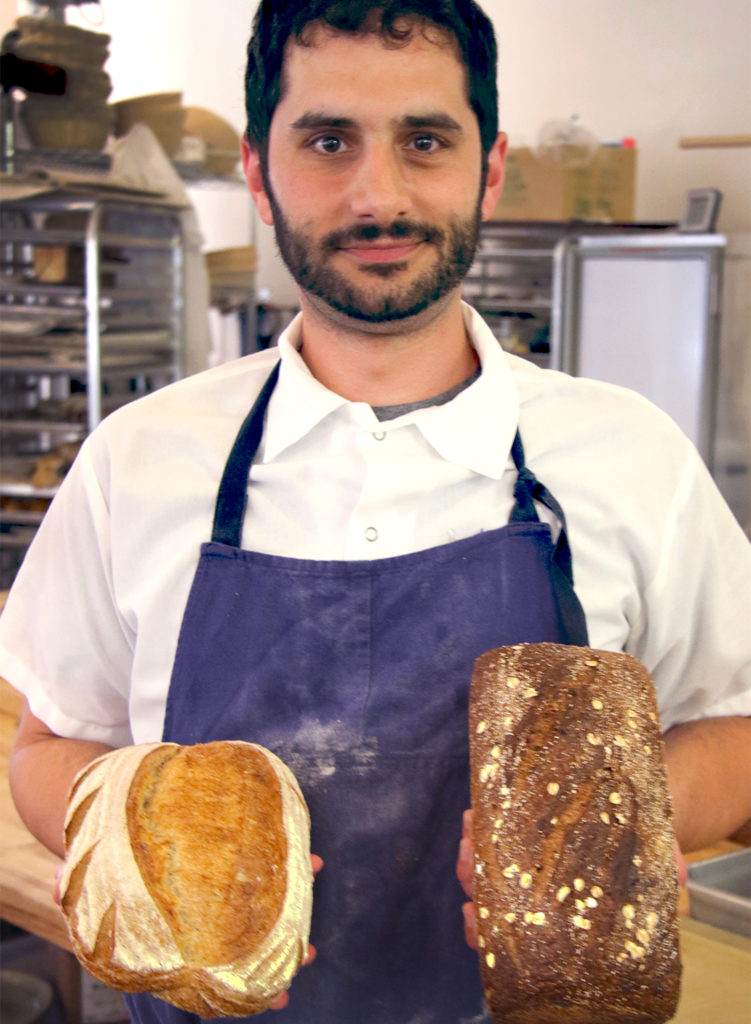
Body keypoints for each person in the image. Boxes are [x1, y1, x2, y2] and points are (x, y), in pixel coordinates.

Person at [3, 0, 750, 1021]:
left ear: (488, 168)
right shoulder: (135, 462)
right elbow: (47, 745)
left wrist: (626, 825)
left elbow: (737, 725)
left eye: (425, 141)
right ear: (259, 173)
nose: (379, 195)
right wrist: (135, 836)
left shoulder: (629, 455)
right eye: (327, 141)